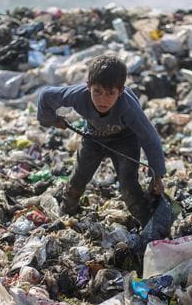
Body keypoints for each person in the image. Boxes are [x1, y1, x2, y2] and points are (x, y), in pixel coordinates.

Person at [37, 55, 165, 226]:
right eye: (97, 92)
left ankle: (147, 222)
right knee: (79, 178)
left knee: (128, 184)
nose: (102, 100)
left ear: (120, 91)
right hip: (94, 137)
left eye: (110, 93)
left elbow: (150, 139)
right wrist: (52, 120)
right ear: (88, 86)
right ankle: (66, 211)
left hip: (125, 140)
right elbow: (46, 96)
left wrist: (157, 175)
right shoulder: (77, 95)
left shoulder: (128, 107)